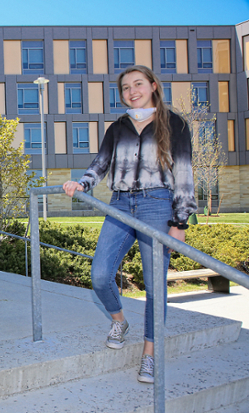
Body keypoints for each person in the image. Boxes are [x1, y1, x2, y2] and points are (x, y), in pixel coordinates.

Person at [62, 65, 196, 384]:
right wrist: (83, 183)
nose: (132, 91)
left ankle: (149, 353)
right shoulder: (119, 126)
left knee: (155, 285)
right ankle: (119, 321)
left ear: (152, 86)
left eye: (138, 84)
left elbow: (184, 174)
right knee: (100, 275)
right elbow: (101, 163)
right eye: (125, 87)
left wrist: (180, 221)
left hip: (157, 204)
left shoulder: (174, 123)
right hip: (121, 203)